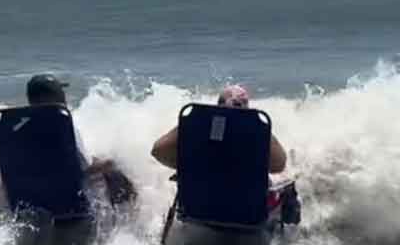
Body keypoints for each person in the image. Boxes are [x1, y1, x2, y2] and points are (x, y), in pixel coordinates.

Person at [25, 74, 137, 204]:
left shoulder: (14, 125)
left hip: (32, 197)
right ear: (56, 95)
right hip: (69, 195)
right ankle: (133, 217)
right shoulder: (61, 123)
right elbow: (81, 171)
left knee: (98, 159)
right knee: (113, 165)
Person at [150, 84, 287, 173]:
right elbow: (279, 166)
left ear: (218, 105)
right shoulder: (256, 131)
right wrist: (262, 129)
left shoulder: (196, 126)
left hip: (197, 207)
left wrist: (188, 125)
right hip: (247, 211)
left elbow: (158, 151)